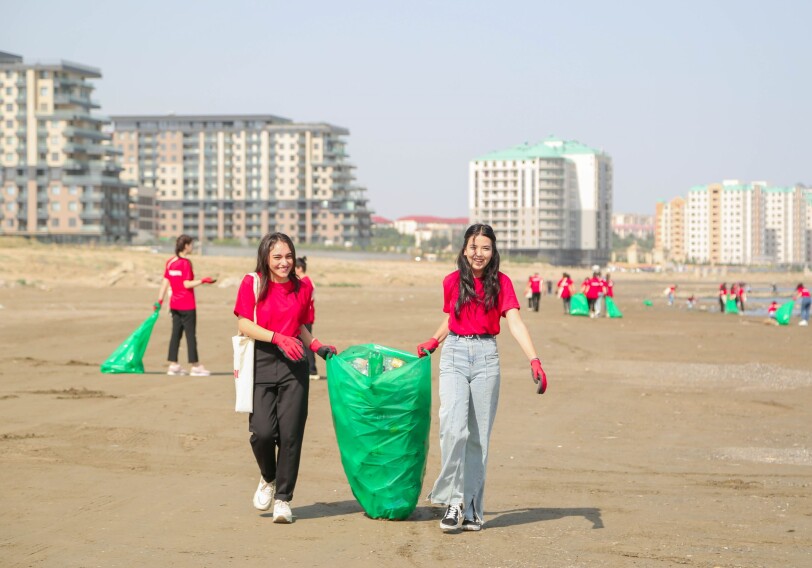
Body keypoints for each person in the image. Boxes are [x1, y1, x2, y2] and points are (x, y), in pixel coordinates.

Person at [415, 224, 547, 533]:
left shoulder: (502, 283)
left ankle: (472, 506)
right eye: (474, 247)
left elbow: (514, 321)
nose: (479, 253)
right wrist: (434, 341)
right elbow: (453, 317)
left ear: (493, 251)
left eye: (485, 248)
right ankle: (454, 501)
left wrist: (534, 359)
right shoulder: (451, 281)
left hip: (487, 356)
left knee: (478, 436)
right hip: (455, 354)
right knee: (452, 427)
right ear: (464, 250)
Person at [233, 232, 337, 523]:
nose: (284, 262)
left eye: (288, 256)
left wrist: (317, 347)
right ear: (266, 257)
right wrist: (277, 338)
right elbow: (243, 324)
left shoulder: (302, 287)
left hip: (294, 365)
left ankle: (283, 500)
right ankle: (268, 477)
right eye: (277, 257)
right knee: (262, 433)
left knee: (291, 436)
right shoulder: (252, 283)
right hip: (261, 361)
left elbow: (300, 326)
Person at [155, 234, 215, 376]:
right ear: (186, 246)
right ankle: (195, 366)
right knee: (190, 335)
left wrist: (159, 300)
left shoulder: (170, 262)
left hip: (174, 305)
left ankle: (173, 365)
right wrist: (203, 281)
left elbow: (165, 282)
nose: (192, 247)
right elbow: (186, 284)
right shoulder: (185, 263)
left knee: (175, 334)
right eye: (191, 244)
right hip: (187, 305)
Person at [295, 256, 320, 381]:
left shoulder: (305, 282)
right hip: (306, 316)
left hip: (306, 317)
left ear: (299, 268)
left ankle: (312, 369)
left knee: (307, 342)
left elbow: (302, 302)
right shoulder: (306, 281)